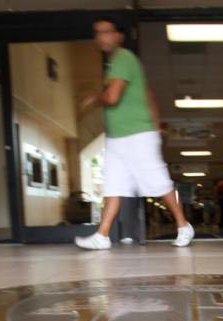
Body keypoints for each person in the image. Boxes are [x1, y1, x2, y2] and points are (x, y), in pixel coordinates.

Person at [76, 17, 194, 250]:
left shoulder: (123, 58)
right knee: (114, 184)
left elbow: (112, 97)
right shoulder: (117, 65)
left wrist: (94, 97)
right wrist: (158, 124)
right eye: (98, 32)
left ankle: (183, 225)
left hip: (137, 134)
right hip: (118, 137)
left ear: (118, 36)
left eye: (107, 32)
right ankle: (102, 235)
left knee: (157, 181)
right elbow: (149, 94)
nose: (102, 37)